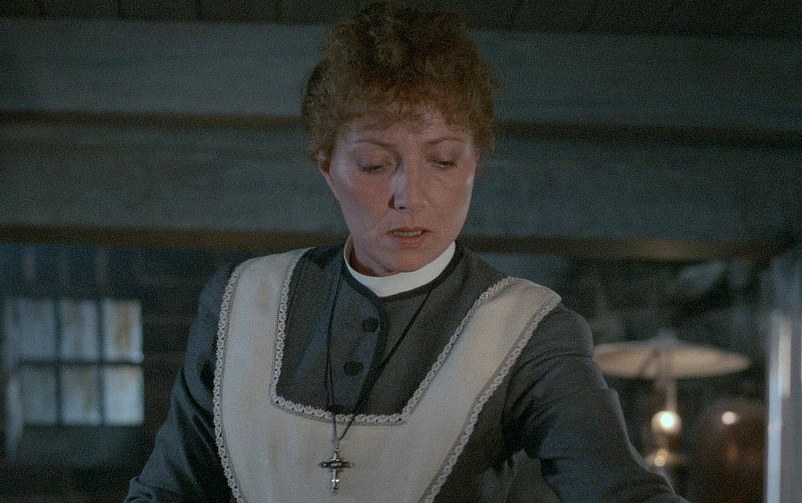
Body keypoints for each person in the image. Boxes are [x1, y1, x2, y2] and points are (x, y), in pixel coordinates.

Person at [126, 3, 688, 501]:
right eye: (375, 164)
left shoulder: (527, 328)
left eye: (442, 160)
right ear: (327, 167)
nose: (410, 196)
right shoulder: (241, 302)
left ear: (473, 164)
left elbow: (619, 489)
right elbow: (166, 491)